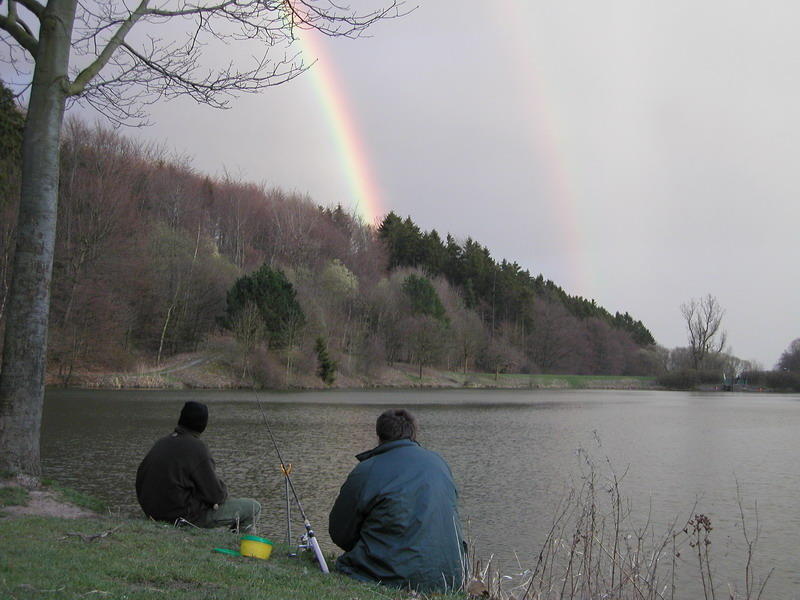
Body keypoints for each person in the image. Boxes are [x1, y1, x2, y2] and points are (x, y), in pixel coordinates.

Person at [329, 408, 466, 593]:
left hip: (391, 577)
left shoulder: (367, 470)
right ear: (413, 433)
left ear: (379, 435)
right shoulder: (439, 463)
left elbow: (340, 533)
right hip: (450, 578)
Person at [135, 400, 261, 530]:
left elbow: (141, 479)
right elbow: (216, 495)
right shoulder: (197, 448)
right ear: (203, 425)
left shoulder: (162, 442)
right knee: (253, 508)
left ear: (181, 418)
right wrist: (221, 490)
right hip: (182, 518)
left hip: (153, 513)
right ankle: (238, 545)